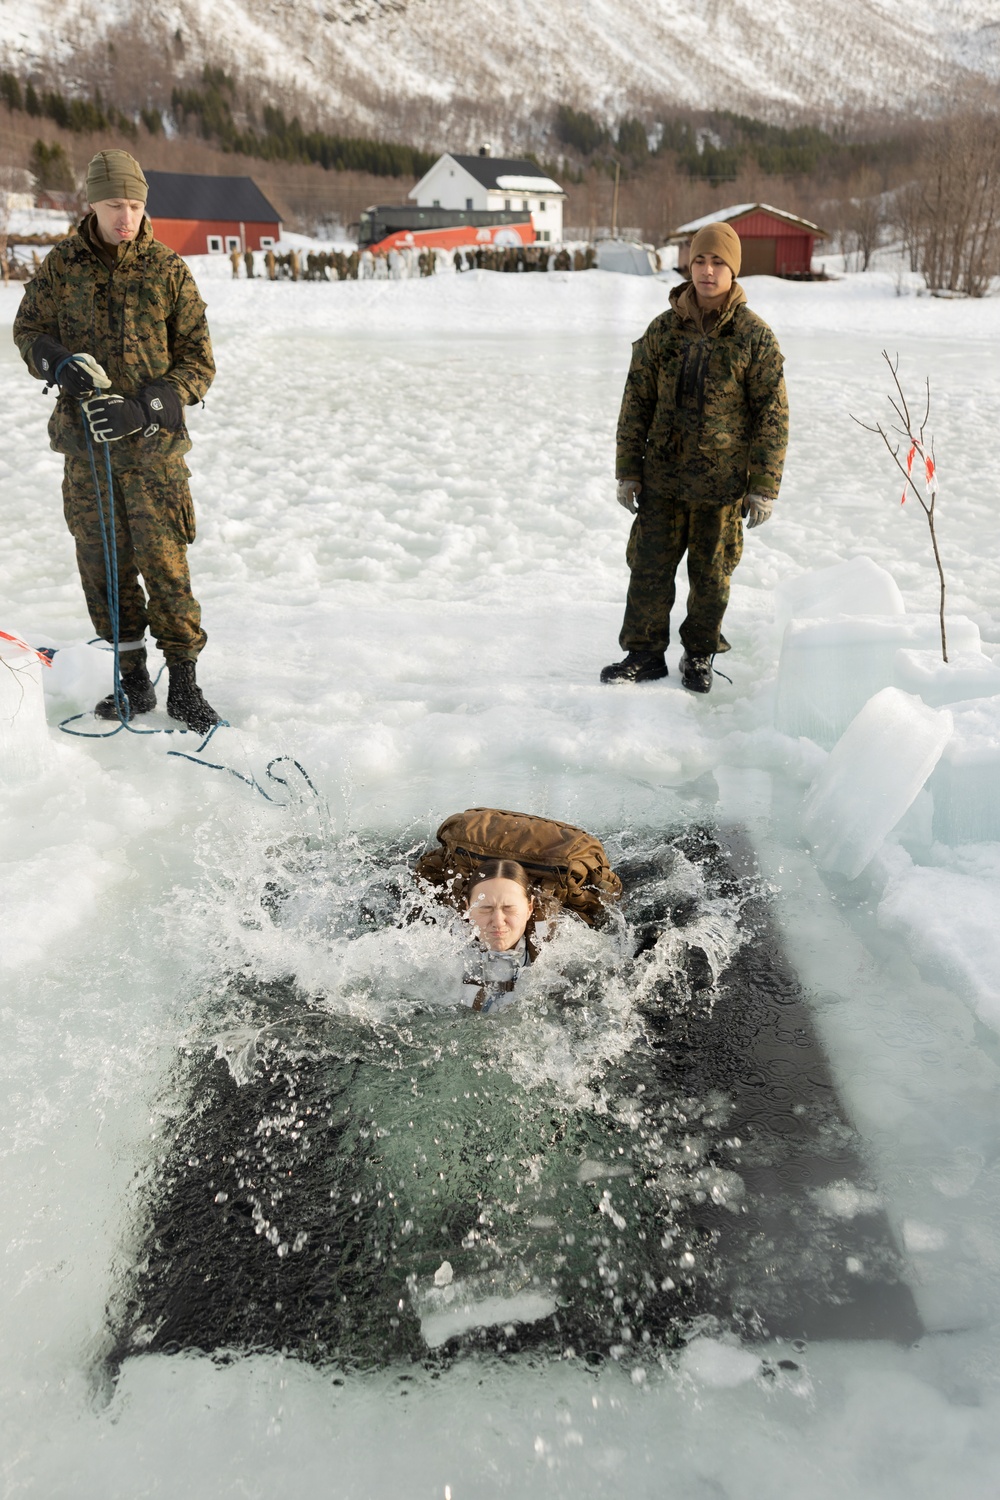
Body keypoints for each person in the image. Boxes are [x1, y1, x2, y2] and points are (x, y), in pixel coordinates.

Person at [13, 148, 220, 731]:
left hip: (154, 455)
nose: (124, 217)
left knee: (166, 568)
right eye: (112, 205)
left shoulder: (168, 270)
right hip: (87, 453)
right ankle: (131, 684)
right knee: (103, 568)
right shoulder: (61, 267)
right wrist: (56, 363)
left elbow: (199, 363)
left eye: (133, 204)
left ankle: (183, 685)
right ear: (92, 204)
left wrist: (146, 407)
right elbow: (28, 329)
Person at [601, 221, 788, 694]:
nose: (707, 270)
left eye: (718, 262)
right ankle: (643, 654)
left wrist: (763, 486)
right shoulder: (663, 330)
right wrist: (628, 470)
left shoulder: (754, 337)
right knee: (648, 569)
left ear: (733, 269)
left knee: (712, 577)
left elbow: (773, 413)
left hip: (720, 487)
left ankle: (700, 655)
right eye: (700, 260)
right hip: (661, 479)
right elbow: (636, 401)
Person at [459, 859, 539, 1014]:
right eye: (485, 908)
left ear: (530, 908)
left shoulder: (555, 949)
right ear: (468, 908)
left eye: (508, 908)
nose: (497, 922)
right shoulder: (442, 954)